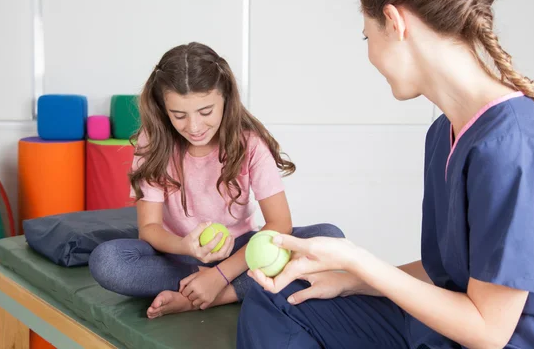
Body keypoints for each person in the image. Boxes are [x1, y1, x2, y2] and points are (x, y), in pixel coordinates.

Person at [237, 0, 534, 348]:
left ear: (394, 22)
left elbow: (488, 331)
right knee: (279, 298)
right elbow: (449, 273)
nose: (369, 52)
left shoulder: (515, 146)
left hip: (510, 340)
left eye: (367, 35)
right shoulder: (443, 132)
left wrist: (359, 260)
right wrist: (352, 280)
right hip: (445, 325)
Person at [88, 42, 343, 319]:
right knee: (108, 262)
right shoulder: (153, 143)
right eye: (179, 115)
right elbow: (149, 228)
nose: (194, 127)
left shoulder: (250, 144)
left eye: (206, 112)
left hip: (242, 253)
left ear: (226, 99)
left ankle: (210, 296)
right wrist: (185, 247)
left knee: (329, 237)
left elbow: (280, 223)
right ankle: (201, 285)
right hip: (178, 254)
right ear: (163, 109)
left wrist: (220, 276)